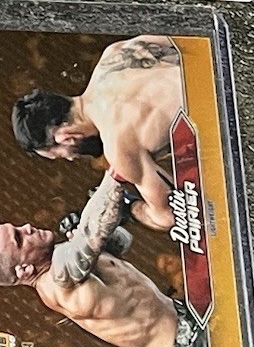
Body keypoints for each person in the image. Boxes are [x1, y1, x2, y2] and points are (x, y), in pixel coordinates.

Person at [0, 168, 211, 347]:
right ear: (24, 270)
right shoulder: (58, 283)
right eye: (19, 238)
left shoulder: (62, 258)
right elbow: (94, 232)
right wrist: (117, 172)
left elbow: (122, 244)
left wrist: (101, 226)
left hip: (186, 313)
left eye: (17, 226)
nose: (26, 227)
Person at [10, 35, 184, 231]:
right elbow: (189, 40)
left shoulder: (118, 146)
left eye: (62, 155)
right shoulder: (114, 54)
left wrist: (128, 208)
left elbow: (170, 216)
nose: (71, 159)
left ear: (66, 137)